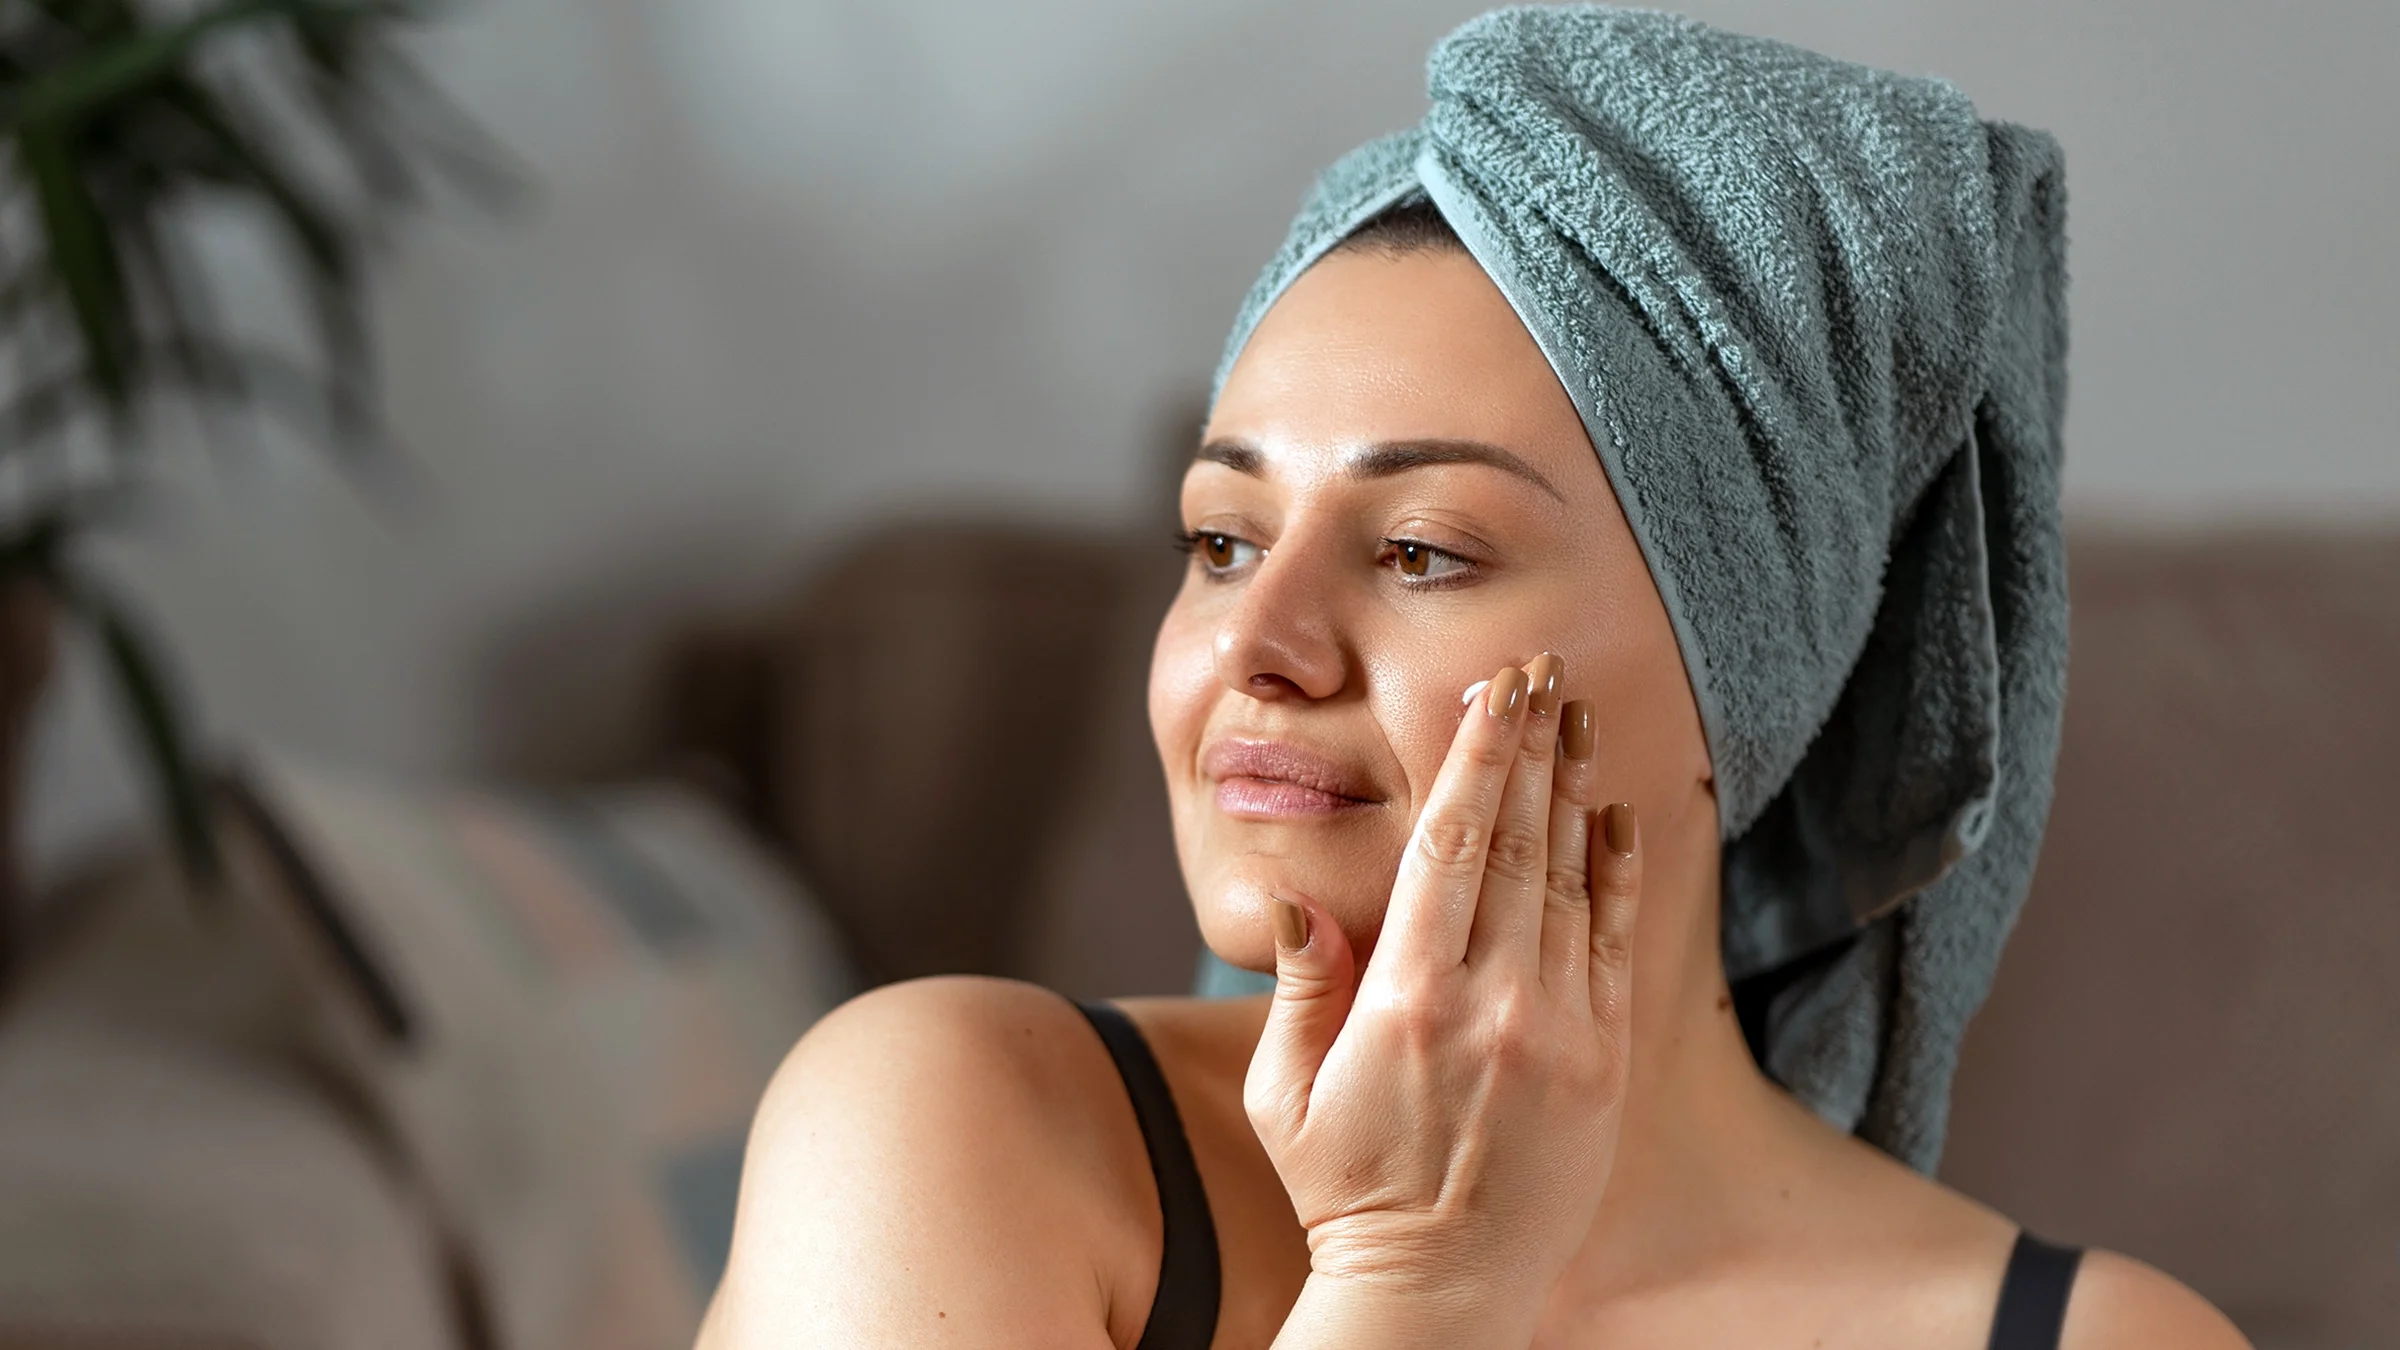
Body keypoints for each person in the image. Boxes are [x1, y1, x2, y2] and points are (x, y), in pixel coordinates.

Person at [699, 9, 2251, 1348]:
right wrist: (1411, 1288)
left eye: (1425, 549)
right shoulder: (953, 1129)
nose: (1257, 646)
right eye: (1222, 539)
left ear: (1739, 678)